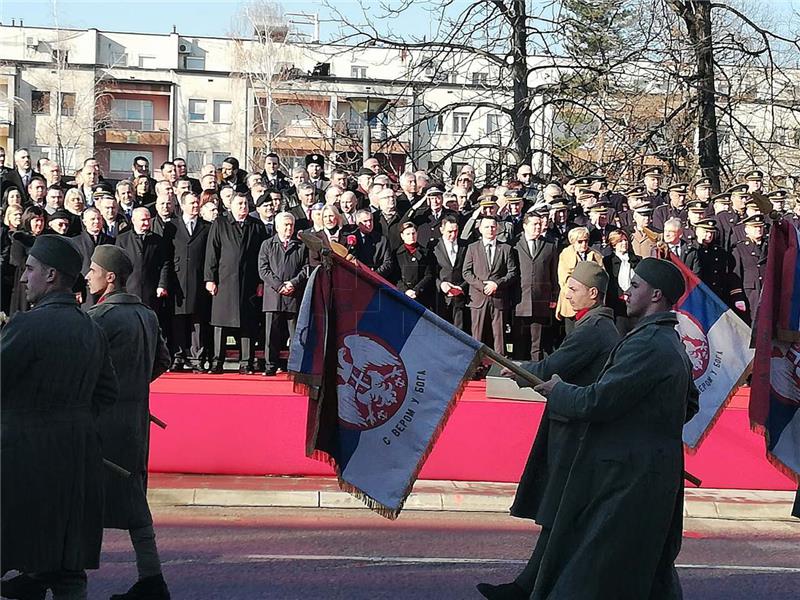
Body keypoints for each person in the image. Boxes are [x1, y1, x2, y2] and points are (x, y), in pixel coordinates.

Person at [531, 258, 699, 600]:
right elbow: (689, 404)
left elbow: (598, 402)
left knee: (593, 568)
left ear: (656, 295)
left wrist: (558, 390)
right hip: (652, 471)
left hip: (629, 476)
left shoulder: (648, 344)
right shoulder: (670, 342)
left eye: (635, 286)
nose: (627, 291)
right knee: (648, 569)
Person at [477, 261, 619, 600]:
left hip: (573, 434)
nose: (566, 294)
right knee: (559, 517)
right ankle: (528, 587)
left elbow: (549, 369)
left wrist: (503, 369)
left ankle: (530, 589)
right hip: (571, 428)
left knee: (560, 516)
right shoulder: (594, 327)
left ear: (593, 294)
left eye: (572, 289)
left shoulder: (595, 330)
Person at [1, 235, 118, 600]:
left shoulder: (26, 326)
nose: (23, 278)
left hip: (24, 457)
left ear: (51, 275)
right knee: (68, 568)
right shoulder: (92, 330)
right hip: (78, 455)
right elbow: (107, 393)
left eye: (30, 270)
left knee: (24, 555)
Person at [85, 245, 172, 600]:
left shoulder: (99, 319)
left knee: (82, 499)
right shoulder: (146, 315)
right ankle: (151, 577)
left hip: (102, 423)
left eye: (93, 270)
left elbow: (85, 369)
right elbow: (163, 359)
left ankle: (57, 574)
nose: (87, 275)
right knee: (135, 501)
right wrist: (134, 386)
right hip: (136, 423)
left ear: (110, 277)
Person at [204, 192, 267, 374]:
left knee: (248, 323)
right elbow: (212, 253)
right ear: (231, 206)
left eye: (246, 204)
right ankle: (217, 361)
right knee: (220, 323)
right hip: (224, 281)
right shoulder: (221, 223)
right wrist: (210, 279)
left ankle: (246, 362)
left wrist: (260, 282)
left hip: (249, 282)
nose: (243, 207)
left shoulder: (256, 226)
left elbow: (261, 256)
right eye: (239, 204)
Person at [165, 191, 212, 372]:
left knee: (197, 320)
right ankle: (177, 356)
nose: (195, 206)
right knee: (177, 319)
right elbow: (167, 254)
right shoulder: (172, 227)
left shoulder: (206, 227)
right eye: (191, 203)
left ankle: (196, 358)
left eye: (196, 203)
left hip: (198, 279)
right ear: (182, 206)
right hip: (177, 280)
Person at [257, 212, 308, 376]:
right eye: (285, 225)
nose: (289, 228)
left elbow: (306, 268)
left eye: (291, 225)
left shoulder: (300, 246)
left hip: (293, 295)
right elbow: (263, 269)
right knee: (271, 334)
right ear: (277, 226)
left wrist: (293, 283)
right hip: (273, 296)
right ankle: (270, 365)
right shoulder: (267, 244)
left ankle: (294, 367)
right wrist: (279, 286)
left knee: (295, 335)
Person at [462, 215, 518, 358]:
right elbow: (466, 272)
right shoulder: (472, 248)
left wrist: (496, 284)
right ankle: (475, 367)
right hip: (478, 299)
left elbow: (512, 273)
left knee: (499, 337)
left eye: (493, 226)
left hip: (498, 298)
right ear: (480, 229)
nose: (490, 229)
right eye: (486, 226)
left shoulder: (505, 248)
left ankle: (501, 368)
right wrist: (482, 286)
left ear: (497, 228)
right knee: (477, 336)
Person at [513, 212, 558, 361]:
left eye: (540, 224)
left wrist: (554, 296)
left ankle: (535, 374)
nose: (538, 227)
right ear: (525, 226)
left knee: (537, 343)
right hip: (519, 300)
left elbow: (554, 275)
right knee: (519, 341)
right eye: (534, 224)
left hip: (541, 300)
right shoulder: (514, 244)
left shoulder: (549, 246)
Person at [116, 207, 171, 310]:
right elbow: (117, 266)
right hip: (129, 291)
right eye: (143, 220)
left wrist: (162, 285)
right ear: (133, 220)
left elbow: (164, 263)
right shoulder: (122, 240)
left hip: (151, 292)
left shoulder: (157, 240)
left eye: (148, 219)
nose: (146, 223)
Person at [555, 226, 603, 334]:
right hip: (571, 304)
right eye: (580, 242)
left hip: (591, 303)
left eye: (586, 241)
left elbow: (602, 277)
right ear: (572, 242)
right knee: (572, 334)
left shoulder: (596, 255)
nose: (584, 244)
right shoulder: (565, 254)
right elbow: (563, 279)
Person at [432, 214, 469, 331]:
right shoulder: (433, 246)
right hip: (441, 297)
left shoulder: (465, 245)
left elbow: (469, 269)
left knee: (461, 330)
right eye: (449, 231)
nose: (453, 235)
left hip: (461, 296)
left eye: (456, 231)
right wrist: (441, 284)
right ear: (441, 230)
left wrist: (461, 287)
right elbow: (430, 272)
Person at [603, 229, 640, 335]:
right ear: (614, 244)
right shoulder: (607, 261)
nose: (624, 243)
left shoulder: (637, 260)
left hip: (634, 305)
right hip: (617, 307)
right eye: (620, 241)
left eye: (625, 240)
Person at [393, 222, 436, 309]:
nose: (411, 236)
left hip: (422, 296)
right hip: (403, 295)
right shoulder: (396, 254)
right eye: (408, 234)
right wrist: (405, 290)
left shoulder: (426, 253)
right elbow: (395, 276)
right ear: (402, 236)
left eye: (413, 233)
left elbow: (429, 275)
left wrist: (416, 290)